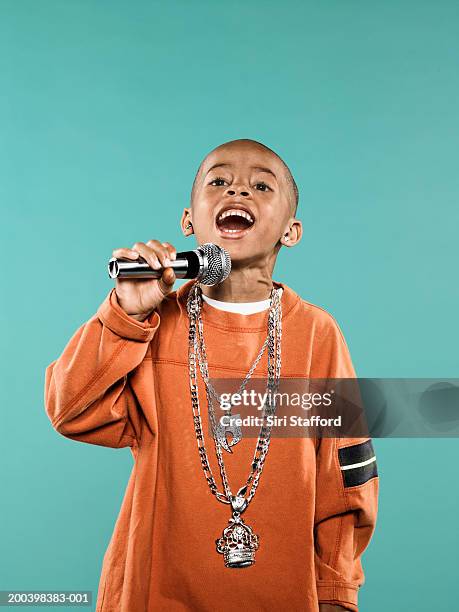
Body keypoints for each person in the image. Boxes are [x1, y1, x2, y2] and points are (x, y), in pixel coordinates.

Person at [44, 139, 379, 612]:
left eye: (261, 185)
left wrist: (337, 592)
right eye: (218, 181)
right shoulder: (151, 323)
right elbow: (69, 409)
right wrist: (125, 313)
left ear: (292, 230)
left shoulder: (317, 336)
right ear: (188, 221)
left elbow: (345, 476)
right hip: (149, 592)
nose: (237, 191)